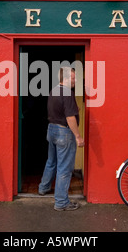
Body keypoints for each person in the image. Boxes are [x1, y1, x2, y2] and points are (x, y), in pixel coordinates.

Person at [38, 67, 84, 211]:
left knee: (51, 161)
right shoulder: (67, 93)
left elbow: (62, 110)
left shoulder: (54, 91)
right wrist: (78, 136)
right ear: (65, 78)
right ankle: (61, 202)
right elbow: (70, 117)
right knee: (64, 168)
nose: (75, 80)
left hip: (51, 129)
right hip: (64, 132)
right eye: (73, 77)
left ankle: (43, 187)